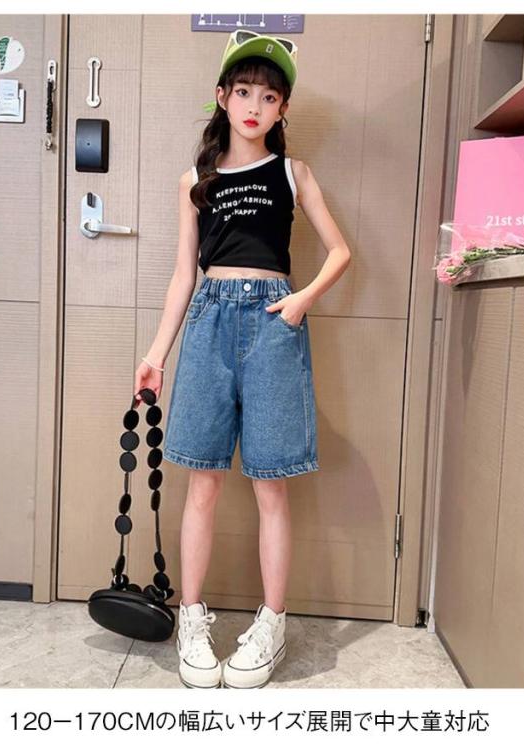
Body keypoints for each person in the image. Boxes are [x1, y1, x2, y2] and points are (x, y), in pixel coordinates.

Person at [133, 29, 352, 689]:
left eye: (270, 96)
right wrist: (155, 354)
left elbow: (341, 251)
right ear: (222, 97)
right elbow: (183, 276)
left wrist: (300, 301)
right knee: (202, 481)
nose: (255, 106)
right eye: (245, 92)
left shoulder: (293, 173)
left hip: (272, 325)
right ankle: (192, 619)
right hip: (208, 323)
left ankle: (272, 623)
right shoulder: (195, 181)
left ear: (283, 109)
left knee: (270, 483)